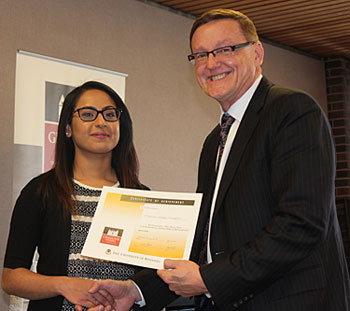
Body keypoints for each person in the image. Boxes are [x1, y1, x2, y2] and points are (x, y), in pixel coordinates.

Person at [78, 9, 350, 311]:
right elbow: (203, 242)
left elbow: (302, 224)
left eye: (225, 49)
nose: (211, 63)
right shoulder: (215, 142)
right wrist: (137, 291)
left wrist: (210, 279)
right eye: (201, 55)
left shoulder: (292, 111)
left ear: (257, 53)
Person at [1, 81, 148, 311]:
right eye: (88, 114)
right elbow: (11, 278)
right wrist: (64, 285)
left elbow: (151, 279)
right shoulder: (41, 191)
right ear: (68, 128)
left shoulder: (142, 198)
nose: (101, 122)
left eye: (110, 114)